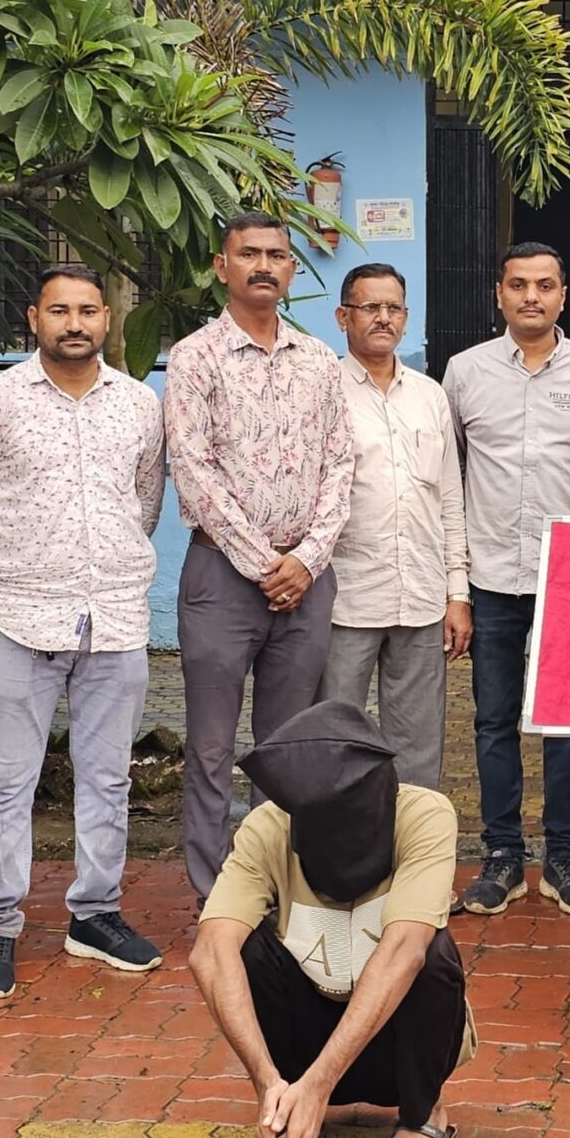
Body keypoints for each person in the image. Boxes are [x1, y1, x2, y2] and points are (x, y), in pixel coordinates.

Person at [0, 266, 168, 1001]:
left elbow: (145, 502)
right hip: (19, 623)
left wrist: (108, 574)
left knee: (109, 778)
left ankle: (95, 915)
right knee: (9, 781)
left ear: (108, 318)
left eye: (88, 310)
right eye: (60, 310)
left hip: (115, 622)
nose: (75, 323)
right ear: (33, 318)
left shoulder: (139, 405)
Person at [189, 701, 472, 1138]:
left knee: (429, 952)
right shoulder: (267, 828)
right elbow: (209, 952)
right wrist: (266, 1083)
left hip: (397, 1051)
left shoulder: (426, 814)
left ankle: (424, 1116)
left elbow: (404, 950)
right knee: (244, 949)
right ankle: (288, 1108)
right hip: (304, 1047)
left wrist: (320, 1084)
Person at [165, 213, 355, 901]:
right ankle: (217, 895)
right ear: (223, 267)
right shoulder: (195, 358)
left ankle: (277, 883)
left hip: (306, 581)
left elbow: (341, 463)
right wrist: (263, 563)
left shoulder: (318, 360)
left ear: (293, 270)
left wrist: (307, 558)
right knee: (212, 747)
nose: (264, 265)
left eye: (277, 254)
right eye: (249, 253)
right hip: (222, 577)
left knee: (286, 748)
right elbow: (193, 468)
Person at [442, 243, 570, 918]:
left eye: (545, 285)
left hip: (569, 574)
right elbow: (452, 476)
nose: (532, 297)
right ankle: (503, 855)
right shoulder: (466, 371)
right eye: (518, 285)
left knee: (566, 722)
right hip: (490, 574)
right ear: (499, 294)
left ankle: (565, 856)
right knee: (493, 719)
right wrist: (456, 584)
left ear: (564, 295)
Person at [318, 263, 473, 791]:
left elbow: (449, 498)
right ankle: (339, 838)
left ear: (406, 318)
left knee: (417, 746)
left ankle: (411, 839)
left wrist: (457, 594)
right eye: (370, 307)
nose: (383, 318)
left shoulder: (430, 395)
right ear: (343, 317)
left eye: (393, 308)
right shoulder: (323, 392)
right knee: (335, 737)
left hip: (422, 597)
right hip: (346, 599)